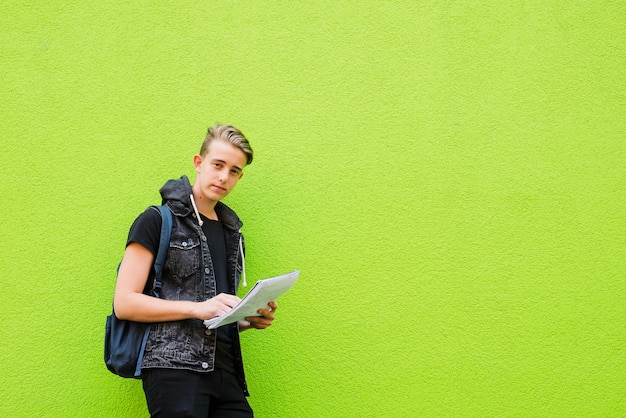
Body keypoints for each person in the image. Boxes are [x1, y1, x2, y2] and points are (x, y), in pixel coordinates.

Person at [114, 124, 276, 417]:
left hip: (226, 371)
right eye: (218, 165)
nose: (225, 176)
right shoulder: (155, 221)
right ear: (199, 163)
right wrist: (200, 308)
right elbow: (124, 303)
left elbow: (212, 315)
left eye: (235, 171)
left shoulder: (232, 234)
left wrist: (245, 318)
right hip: (174, 370)